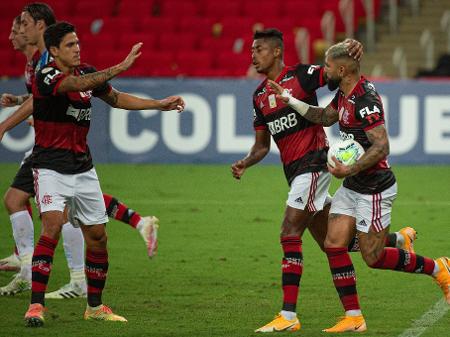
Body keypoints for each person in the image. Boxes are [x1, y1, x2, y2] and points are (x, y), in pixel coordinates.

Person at [231, 28, 416, 333]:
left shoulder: (304, 75)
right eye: (251, 49)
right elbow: (263, 145)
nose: (253, 54)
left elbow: (335, 73)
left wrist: (351, 47)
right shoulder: (260, 96)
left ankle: (288, 316)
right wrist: (246, 162)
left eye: (259, 49)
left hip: (316, 165)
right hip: (295, 173)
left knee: (289, 230)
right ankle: (394, 242)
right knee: (332, 242)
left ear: (277, 51)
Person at [269, 41, 450, 333]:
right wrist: (289, 100)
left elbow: (382, 146)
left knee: (373, 257)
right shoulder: (343, 93)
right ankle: (354, 317)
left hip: (375, 189)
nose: (323, 70)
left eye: (327, 66)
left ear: (342, 69)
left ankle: (438, 268)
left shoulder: (365, 100)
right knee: (333, 244)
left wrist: (348, 169)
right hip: (353, 185)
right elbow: (323, 117)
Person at [21, 20, 185, 327]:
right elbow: (77, 86)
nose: (77, 48)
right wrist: (122, 65)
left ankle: (94, 307)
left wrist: (158, 104)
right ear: (54, 50)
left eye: (78, 42)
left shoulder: (87, 73)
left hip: (83, 167)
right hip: (50, 167)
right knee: (52, 227)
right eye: (70, 44)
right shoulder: (47, 76)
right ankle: (35, 306)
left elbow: (116, 98)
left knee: (98, 237)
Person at [0, 4, 159, 298]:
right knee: (35, 207)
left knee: (55, 212)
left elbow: (78, 87)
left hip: (65, 153)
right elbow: (48, 91)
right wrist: (15, 110)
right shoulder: (41, 65)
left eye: (22, 23)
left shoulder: (51, 62)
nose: (17, 30)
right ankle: (39, 277)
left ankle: (52, 274)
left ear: (40, 26)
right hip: (50, 153)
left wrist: (157, 103)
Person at [0, 15, 39, 273]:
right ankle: (23, 260)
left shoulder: (40, 61)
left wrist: (5, 125)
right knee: (18, 198)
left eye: (18, 29)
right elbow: (40, 94)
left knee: (15, 199)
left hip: (53, 140)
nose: (12, 36)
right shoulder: (31, 63)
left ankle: (27, 265)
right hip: (47, 139)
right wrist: (18, 101)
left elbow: (48, 93)